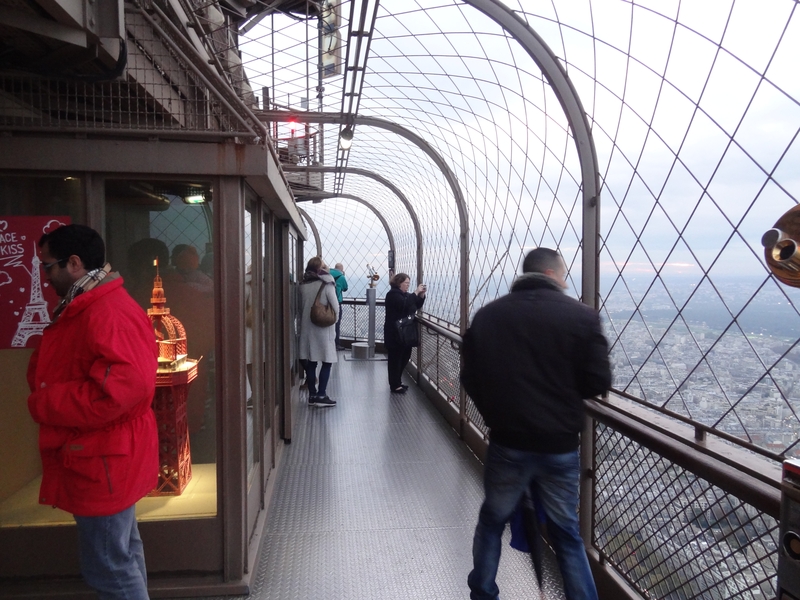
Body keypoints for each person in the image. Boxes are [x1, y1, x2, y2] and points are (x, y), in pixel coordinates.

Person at [461, 247, 611, 600]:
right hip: (558, 444)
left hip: (508, 440)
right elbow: (597, 383)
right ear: (554, 275)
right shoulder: (582, 317)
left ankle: (483, 592)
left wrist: (496, 414)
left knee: (492, 520)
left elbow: (471, 376)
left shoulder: (488, 315)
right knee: (566, 532)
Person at [26, 224, 159, 599]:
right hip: (105, 456)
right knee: (120, 555)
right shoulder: (95, 305)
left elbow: (122, 391)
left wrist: (45, 401)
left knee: (109, 566)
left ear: (73, 263)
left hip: (101, 460)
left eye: (48, 266)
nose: (45, 275)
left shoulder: (103, 310)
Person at [298, 257, 339, 407]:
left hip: (306, 329)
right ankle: (322, 395)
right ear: (321, 269)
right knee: (327, 362)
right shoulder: (327, 284)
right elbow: (336, 308)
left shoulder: (302, 286)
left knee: (311, 363)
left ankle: (312, 395)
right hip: (323, 330)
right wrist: (332, 323)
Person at [383, 272, 426, 394]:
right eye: (406, 283)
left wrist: (421, 296)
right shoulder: (392, 295)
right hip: (394, 333)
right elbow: (404, 304)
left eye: (408, 283)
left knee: (404, 357)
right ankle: (394, 384)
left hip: (403, 334)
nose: (408, 285)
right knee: (395, 359)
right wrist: (416, 293)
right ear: (399, 283)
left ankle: (397, 381)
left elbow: (414, 305)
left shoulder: (404, 295)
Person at [328, 262, 349, 350]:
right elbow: (345, 288)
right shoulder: (341, 277)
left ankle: (327, 343)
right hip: (336, 302)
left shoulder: (328, 274)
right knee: (336, 324)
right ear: (341, 269)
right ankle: (336, 344)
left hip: (326, 302)